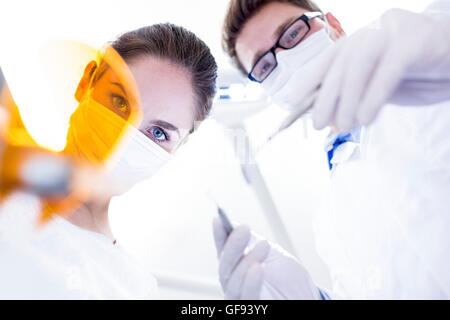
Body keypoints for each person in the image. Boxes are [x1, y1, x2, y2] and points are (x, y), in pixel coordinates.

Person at [213, 0, 450, 299]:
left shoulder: (428, 73)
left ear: (333, 26)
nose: (284, 60)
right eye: (264, 66)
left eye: (291, 35)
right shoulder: (330, 221)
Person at [0, 23, 217, 299]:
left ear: (176, 150)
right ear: (86, 82)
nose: (125, 137)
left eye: (158, 132)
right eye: (120, 102)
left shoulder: (133, 286)